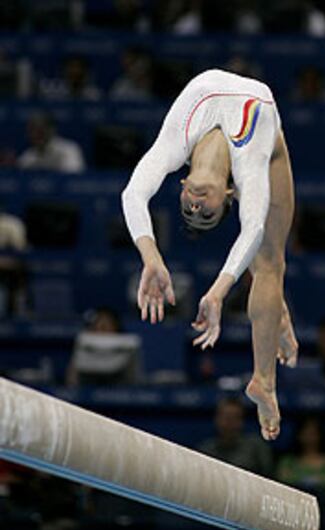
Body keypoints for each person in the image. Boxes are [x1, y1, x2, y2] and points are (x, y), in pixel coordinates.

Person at [122, 69, 298, 440]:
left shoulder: (176, 143)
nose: (196, 207)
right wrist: (215, 291)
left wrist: (152, 257)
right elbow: (252, 228)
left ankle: (273, 315)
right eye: (205, 213)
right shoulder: (248, 162)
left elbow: (133, 193)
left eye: (191, 210)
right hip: (267, 126)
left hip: (242, 108)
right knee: (270, 264)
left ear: (182, 185)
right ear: (229, 194)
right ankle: (264, 381)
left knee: (267, 262)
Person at [199, 397, 274, 477]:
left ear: (241, 421)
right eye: (226, 418)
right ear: (217, 419)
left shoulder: (256, 448)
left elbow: (270, 476)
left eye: (234, 418)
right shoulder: (206, 450)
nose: (229, 423)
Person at [275, 415, 325, 494]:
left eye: (313, 433)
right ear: (298, 435)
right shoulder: (288, 460)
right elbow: (283, 480)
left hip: (324, 500)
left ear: (321, 435)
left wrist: (310, 482)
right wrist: (313, 480)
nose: (309, 438)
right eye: (306, 433)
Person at [18, 112, 85, 173]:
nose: (36, 134)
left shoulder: (69, 149)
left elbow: (73, 178)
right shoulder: (26, 158)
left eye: (40, 130)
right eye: (32, 130)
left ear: (51, 130)